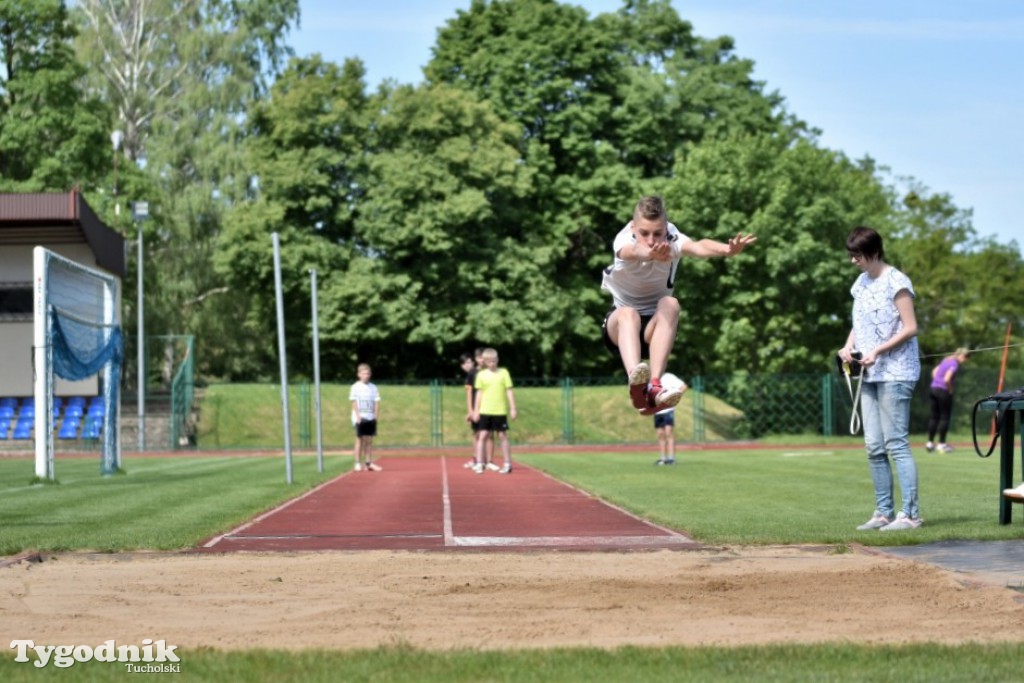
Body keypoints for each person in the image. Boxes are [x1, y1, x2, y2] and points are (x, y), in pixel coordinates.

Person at [601, 195, 756, 415]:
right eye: (644, 233)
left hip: (655, 331)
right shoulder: (624, 239)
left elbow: (698, 246)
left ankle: (654, 386)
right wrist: (649, 254)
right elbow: (634, 251)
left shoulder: (672, 238)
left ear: (665, 227)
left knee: (670, 303)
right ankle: (636, 384)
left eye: (657, 233)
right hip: (621, 331)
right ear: (634, 228)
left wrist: (726, 250)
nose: (652, 240)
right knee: (628, 313)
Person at [838, 227, 922, 531]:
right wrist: (849, 346)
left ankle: (910, 515)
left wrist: (878, 350)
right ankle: (883, 512)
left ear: (873, 252)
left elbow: (910, 327)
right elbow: (859, 323)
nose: (853, 261)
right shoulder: (860, 283)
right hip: (869, 373)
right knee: (873, 445)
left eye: (857, 256)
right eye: (851, 256)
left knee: (896, 443)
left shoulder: (897, 282)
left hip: (896, 372)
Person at [471, 347, 517, 474]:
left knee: (502, 435)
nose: (492, 363)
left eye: (494, 361)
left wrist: (513, 408)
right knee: (483, 435)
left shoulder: (504, 373)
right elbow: (479, 393)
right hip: (485, 410)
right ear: (484, 362)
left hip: (500, 411)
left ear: (497, 360)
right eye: (489, 361)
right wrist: (476, 411)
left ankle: (507, 463)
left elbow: (509, 390)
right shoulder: (481, 375)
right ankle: (480, 463)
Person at [926, 348, 969, 453]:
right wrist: (950, 390)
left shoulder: (946, 360)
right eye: (966, 358)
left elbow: (934, 371)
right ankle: (941, 444)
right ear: (962, 356)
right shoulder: (954, 363)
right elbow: (947, 379)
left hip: (933, 389)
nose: (965, 361)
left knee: (934, 416)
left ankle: (930, 443)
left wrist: (937, 381)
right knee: (945, 417)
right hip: (943, 391)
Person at [461, 349, 497, 470]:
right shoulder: (472, 373)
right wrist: (470, 410)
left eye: (485, 358)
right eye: (481, 358)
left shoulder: (492, 372)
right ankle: (477, 459)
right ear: (476, 359)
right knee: (477, 434)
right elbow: (468, 392)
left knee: (490, 434)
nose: (483, 360)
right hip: (477, 408)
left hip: (490, 407)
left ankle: (490, 461)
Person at [349, 363, 382, 472]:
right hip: (360, 417)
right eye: (364, 373)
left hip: (370, 416)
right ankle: (357, 462)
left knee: (369, 440)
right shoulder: (355, 387)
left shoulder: (373, 387)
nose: (366, 375)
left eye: (368, 373)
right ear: (359, 374)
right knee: (360, 439)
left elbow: (376, 402)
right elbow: (354, 402)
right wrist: (358, 416)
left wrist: (375, 416)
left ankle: (368, 463)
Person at [653, 372, 686, 465]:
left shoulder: (668, 376)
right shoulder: (651, 379)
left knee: (669, 432)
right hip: (657, 411)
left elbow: (683, 386)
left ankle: (671, 458)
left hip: (668, 410)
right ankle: (663, 458)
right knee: (660, 434)